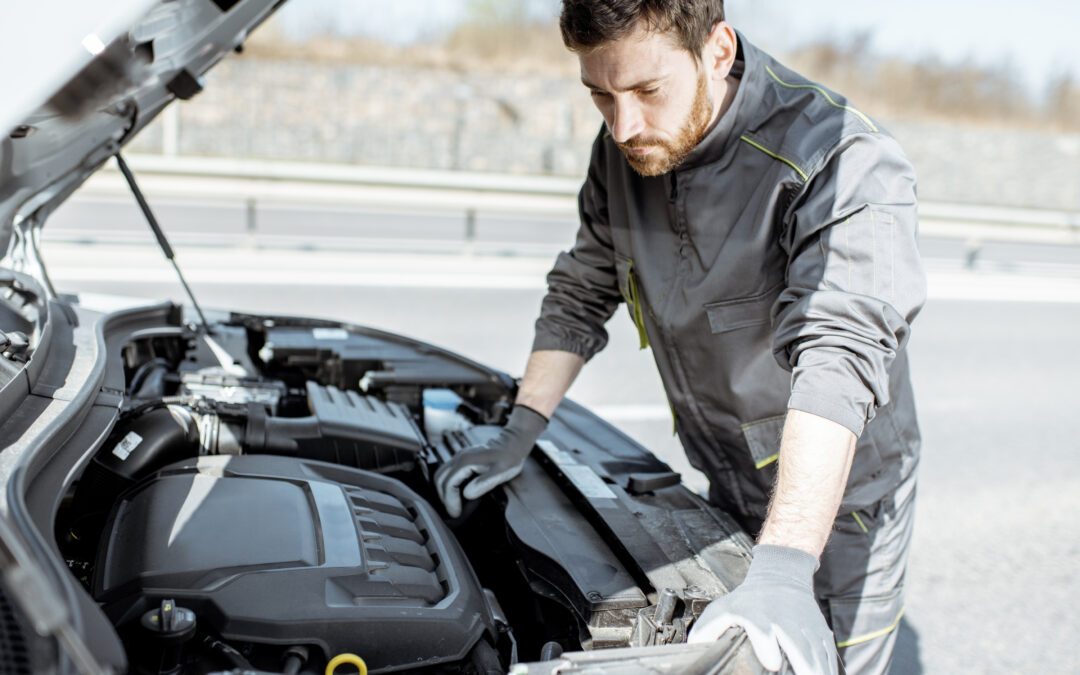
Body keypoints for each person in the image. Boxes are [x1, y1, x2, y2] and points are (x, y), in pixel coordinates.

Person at [435, 1, 925, 673]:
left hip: (840, 502)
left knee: (817, 660)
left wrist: (783, 569)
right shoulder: (625, 150)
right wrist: (520, 429)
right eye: (600, 96)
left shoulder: (839, 161)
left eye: (646, 90)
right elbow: (581, 291)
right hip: (727, 478)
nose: (623, 125)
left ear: (718, 51)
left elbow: (836, 361)